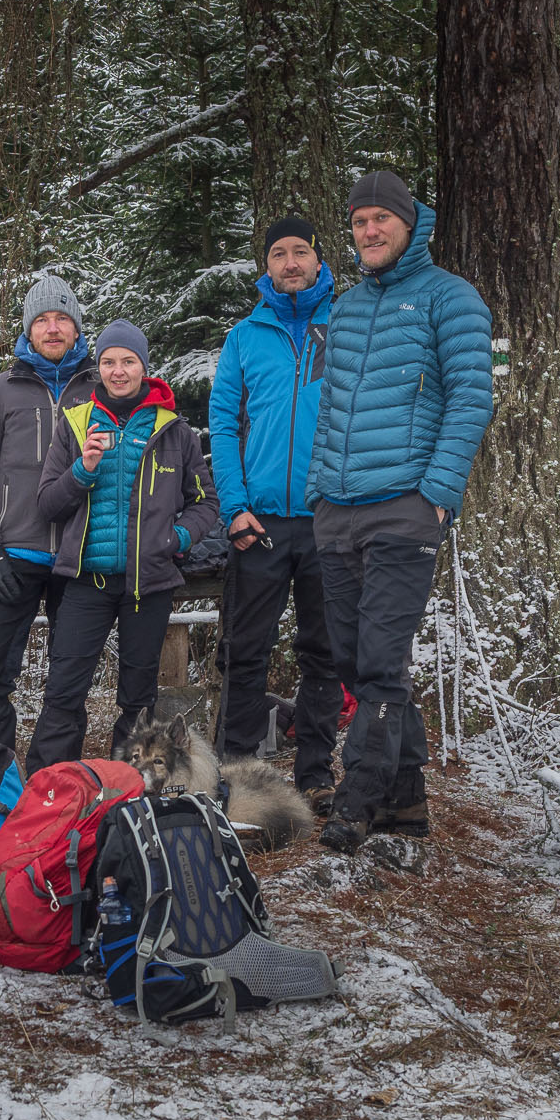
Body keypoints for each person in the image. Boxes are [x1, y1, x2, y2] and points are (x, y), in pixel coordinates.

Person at [307, 171, 494, 853]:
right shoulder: (347, 310)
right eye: (359, 221)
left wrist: (438, 494)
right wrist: (318, 490)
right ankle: (408, 802)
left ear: (410, 226)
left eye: (383, 219)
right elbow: (328, 409)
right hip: (338, 508)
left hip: (406, 508)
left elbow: (472, 399)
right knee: (356, 663)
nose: (370, 230)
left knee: (381, 662)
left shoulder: (452, 299)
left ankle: (356, 803)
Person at [26, 320, 218, 770]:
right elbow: (47, 503)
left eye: (128, 361)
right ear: (98, 367)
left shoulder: (175, 431)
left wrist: (176, 538)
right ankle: (49, 783)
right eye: (109, 361)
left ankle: (129, 784)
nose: (118, 371)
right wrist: (84, 469)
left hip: (147, 584)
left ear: (143, 367)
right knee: (64, 688)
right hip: (86, 581)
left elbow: (207, 503)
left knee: (138, 696)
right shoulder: (75, 424)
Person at [208, 216, 341, 813]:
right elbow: (224, 425)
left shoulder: (346, 325)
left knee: (324, 651)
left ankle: (315, 771)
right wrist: (234, 509)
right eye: (279, 254)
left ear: (318, 260)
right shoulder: (245, 338)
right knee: (246, 650)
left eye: (301, 252)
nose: (290, 263)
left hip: (329, 520)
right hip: (258, 524)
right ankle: (237, 772)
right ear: (266, 266)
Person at [0, 276, 97, 750]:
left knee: (67, 684)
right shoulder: (0, 392)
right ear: (27, 330)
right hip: (13, 557)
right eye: (42, 320)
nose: (52, 329)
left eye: (61, 319)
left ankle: (53, 786)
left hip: (79, 559)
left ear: (77, 328)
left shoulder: (101, 391)